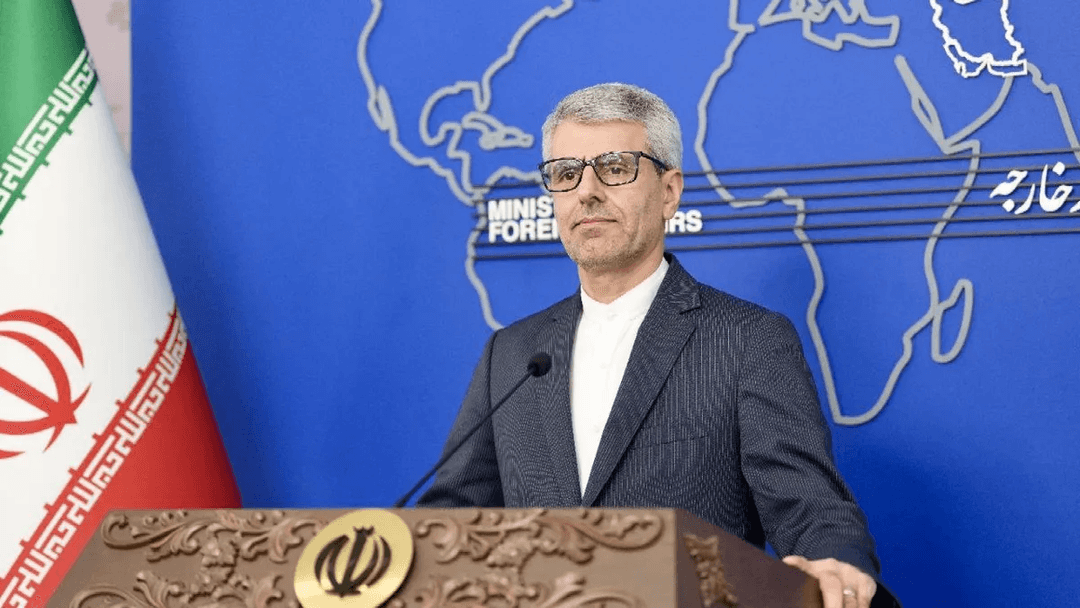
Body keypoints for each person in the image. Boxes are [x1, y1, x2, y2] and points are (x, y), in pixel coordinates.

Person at [418, 82, 897, 608]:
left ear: (669, 192)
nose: (587, 191)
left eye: (615, 167)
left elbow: (810, 510)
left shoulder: (747, 340)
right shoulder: (511, 353)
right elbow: (449, 525)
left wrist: (838, 568)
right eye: (566, 173)